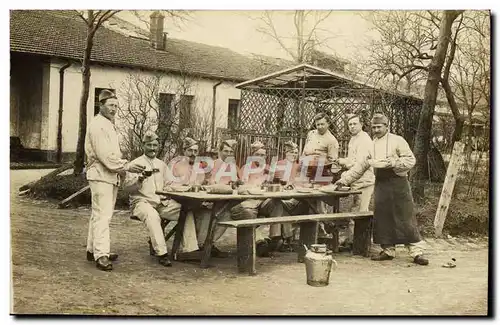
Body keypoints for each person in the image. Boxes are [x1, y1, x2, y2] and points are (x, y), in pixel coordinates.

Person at [335, 113, 429, 265]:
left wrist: (394, 162)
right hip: (381, 184)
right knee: (383, 218)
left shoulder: (398, 140)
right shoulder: (371, 145)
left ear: (387, 126)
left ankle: (416, 252)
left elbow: (411, 160)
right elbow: (361, 166)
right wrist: (344, 179)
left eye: (379, 127)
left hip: (399, 183)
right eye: (374, 127)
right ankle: (388, 250)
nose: (376, 130)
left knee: (405, 217)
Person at [85, 89, 146, 271]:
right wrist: (126, 166)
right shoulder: (97, 125)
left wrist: (121, 166)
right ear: (101, 105)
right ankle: (101, 254)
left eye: (116, 106)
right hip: (100, 174)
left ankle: (92, 249)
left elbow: (111, 154)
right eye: (111, 105)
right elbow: (105, 156)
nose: (114, 109)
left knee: (99, 214)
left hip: (109, 176)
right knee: (103, 215)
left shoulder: (108, 124)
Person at [122, 132, 199, 267]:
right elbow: (127, 188)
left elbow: (169, 185)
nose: (153, 148)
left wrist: (185, 188)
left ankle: (190, 250)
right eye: (149, 145)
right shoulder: (135, 164)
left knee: (186, 211)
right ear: (143, 145)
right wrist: (139, 179)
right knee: (153, 216)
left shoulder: (162, 164)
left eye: (155, 145)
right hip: (141, 202)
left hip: (161, 202)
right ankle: (162, 253)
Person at [169, 137, 229, 258]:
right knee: (188, 211)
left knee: (219, 212)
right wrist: (185, 187)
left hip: (196, 201)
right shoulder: (175, 164)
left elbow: (208, 182)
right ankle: (190, 249)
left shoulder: (200, 166)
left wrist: (210, 183)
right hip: (177, 201)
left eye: (195, 151)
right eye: (190, 150)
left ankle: (205, 244)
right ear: (184, 150)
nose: (193, 154)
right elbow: (168, 185)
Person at [231, 141, 284, 256]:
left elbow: (276, 182)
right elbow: (243, 186)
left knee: (277, 203)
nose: (261, 157)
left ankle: (275, 237)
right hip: (250, 201)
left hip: (263, 201)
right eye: (258, 155)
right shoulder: (246, 168)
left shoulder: (268, 169)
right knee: (249, 212)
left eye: (263, 155)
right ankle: (259, 242)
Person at [336, 114, 375, 250]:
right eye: (350, 124)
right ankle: (352, 240)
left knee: (361, 212)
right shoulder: (353, 139)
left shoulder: (364, 140)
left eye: (355, 124)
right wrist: (341, 161)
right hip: (355, 180)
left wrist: (345, 175)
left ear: (361, 124)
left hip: (364, 181)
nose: (352, 127)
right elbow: (352, 160)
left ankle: (361, 245)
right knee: (354, 210)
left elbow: (360, 164)